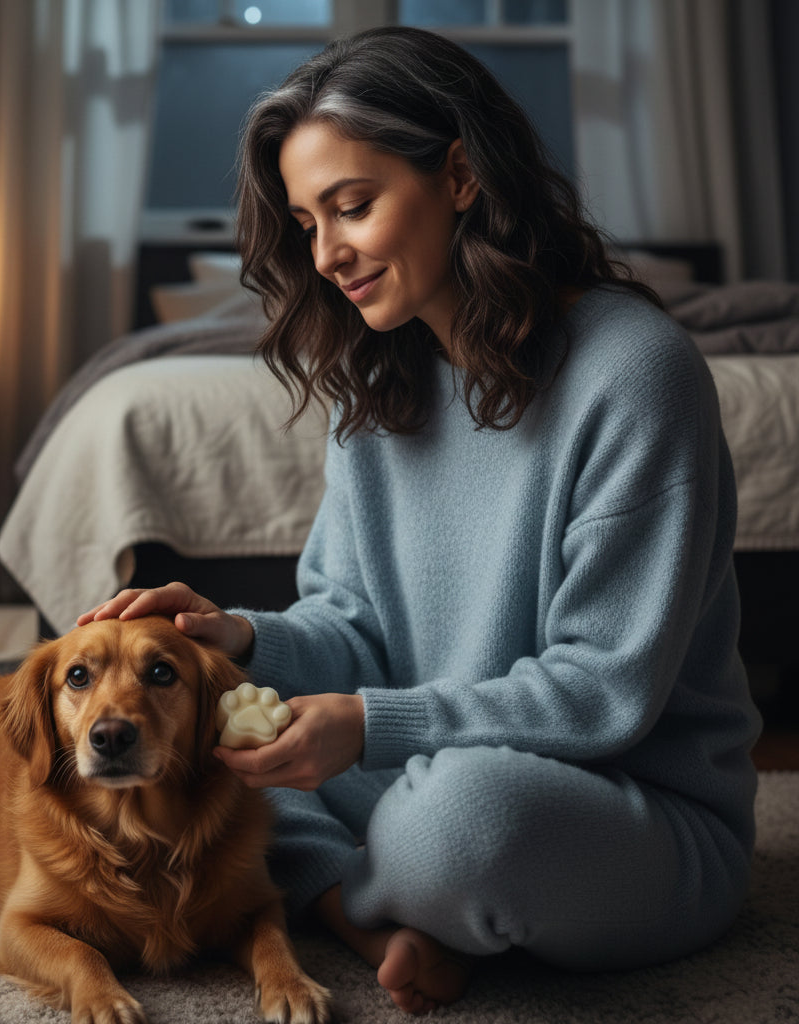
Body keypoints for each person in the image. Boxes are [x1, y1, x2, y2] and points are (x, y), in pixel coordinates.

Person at [79, 26, 761, 1016]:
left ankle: (355, 892)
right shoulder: (379, 383)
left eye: (352, 207)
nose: (327, 256)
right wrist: (243, 639)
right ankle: (386, 913)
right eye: (308, 224)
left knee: (455, 822)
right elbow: (355, 627)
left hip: (627, 813)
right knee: (203, 760)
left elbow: (601, 690)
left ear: (459, 175)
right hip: (411, 769)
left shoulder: (635, 371)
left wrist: (366, 727)